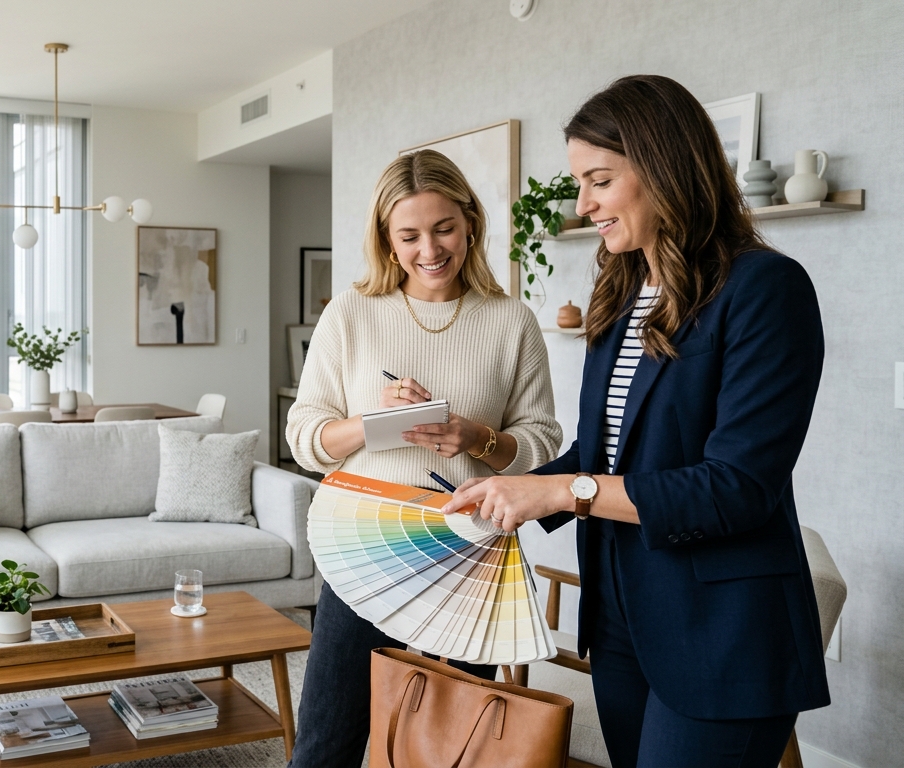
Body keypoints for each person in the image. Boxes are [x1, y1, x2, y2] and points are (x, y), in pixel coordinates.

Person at [442, 75, 830, 768]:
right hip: (623, 617)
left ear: (663, 168)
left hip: (725, 633)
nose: (584, 204)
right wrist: (510, 495)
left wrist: (563, 494)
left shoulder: (765, 289)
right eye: (580, 183)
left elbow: (737, 486)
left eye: (599, 181)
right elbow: (603, 455)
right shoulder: (621, 294)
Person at [285, 149, 562, 767]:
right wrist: (371, 425)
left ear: (470, 223)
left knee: (447, 749)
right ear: (387, 238)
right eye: (408, 235)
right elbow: (303, 438)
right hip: (363, 547)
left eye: (444, 229)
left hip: (468, 555)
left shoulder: (512, 321)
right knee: (325, 743)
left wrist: (477, 439)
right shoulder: (350, 312)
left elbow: (542, 442)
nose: (429, 249)